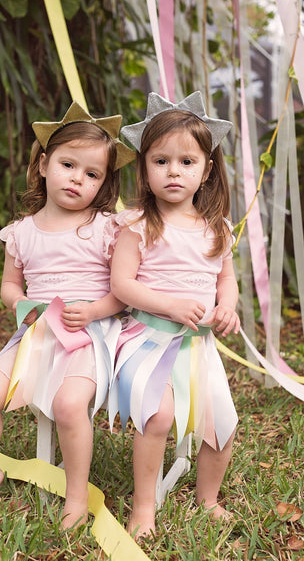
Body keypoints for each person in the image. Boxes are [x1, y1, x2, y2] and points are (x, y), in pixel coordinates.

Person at [0, 101, 134, 528]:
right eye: (67, 164)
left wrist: (95, 309)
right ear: (43, 165)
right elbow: (10, 285)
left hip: (89, 334)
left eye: (92, 174)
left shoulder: (104, 228)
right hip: (37, 332)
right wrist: (19, 306)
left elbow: (123, 292)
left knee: (67, 403)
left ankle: (76, 498)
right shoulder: (23, 230)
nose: (78, 178)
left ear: (103, 184)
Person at [109, 91, 240, 539]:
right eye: (160, 161)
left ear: (206, 170)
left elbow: (226, 278)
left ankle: (208, 499)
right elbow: (122, 285)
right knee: (157, 416)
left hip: (198, 347)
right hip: (147, 339)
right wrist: (171, 305)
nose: (173, 172)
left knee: (222, 425)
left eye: (187, 162)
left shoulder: (216, 226)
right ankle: (144, 506)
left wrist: (228, 307)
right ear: (145, 168)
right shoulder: (138, 224)